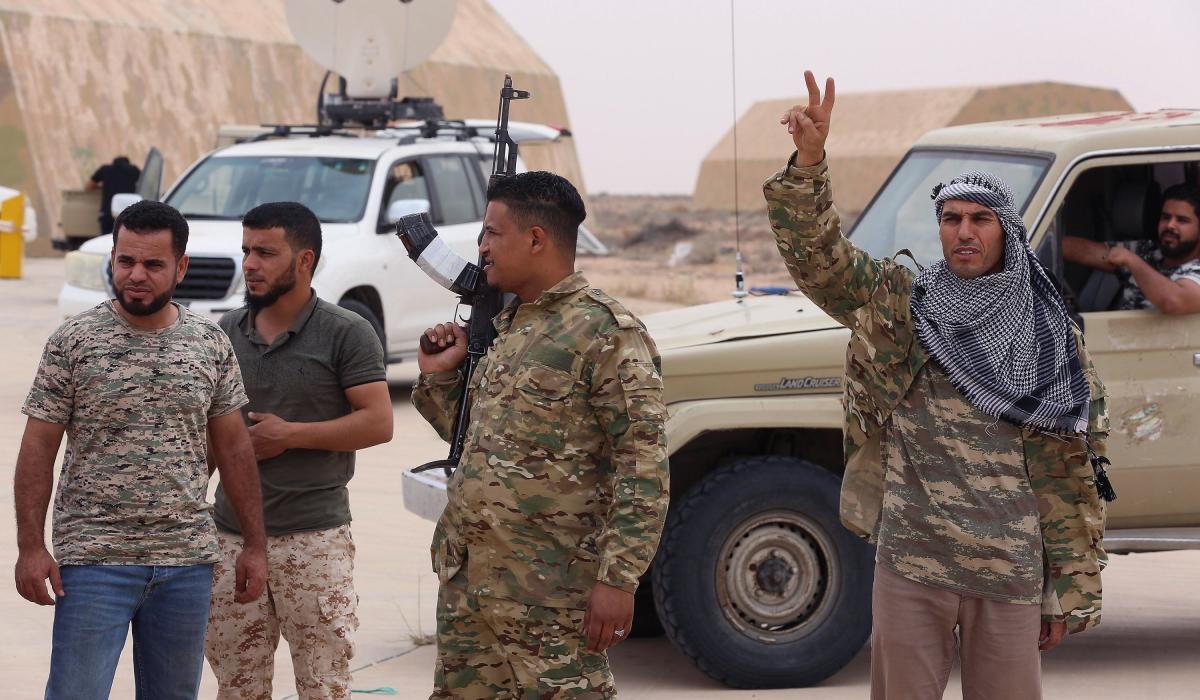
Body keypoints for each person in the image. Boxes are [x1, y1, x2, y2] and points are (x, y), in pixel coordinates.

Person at [767, 72, 1108, 699]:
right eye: (951, 218)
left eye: (980, 218)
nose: (964, 231)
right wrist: (810, 161)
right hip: (911, 565)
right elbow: (821, 261)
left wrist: (1067, 582)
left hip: (1007, 569)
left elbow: (1067, 468)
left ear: (1006, 229)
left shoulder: (1049, 333)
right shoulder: (904, 303)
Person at [412, 171, 669, 698]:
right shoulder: (509, 328)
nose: (481, 249)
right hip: (473, 585)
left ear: (536, 239)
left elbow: (643, 468)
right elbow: (479, 445)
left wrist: (618, 580)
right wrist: (442, 374)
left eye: (491, 234)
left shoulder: (605, 332)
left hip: (550, 592)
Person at [13, 200, 268, 699]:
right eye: (125, 261)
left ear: (181, 267)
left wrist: (255, 545)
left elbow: (235, 449)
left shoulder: (209, 344)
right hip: (93, 561)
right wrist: (30, 546)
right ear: (112, 258)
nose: (136, 275)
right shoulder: (74, 341)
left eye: (153, 264)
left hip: (186, 562)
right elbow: (37, 450)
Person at [204, 201, 393, 699]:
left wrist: (289, 435)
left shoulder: (345, 332)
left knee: (323, 687)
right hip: (231, 539)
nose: (249, 264)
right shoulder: (224, 333)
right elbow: (207, 437)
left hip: (314, 540)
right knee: (237, 687)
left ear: (304, 260)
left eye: (265, 252)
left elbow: (378, 421)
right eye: (246, 250)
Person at [1062, 183, 1200, 314]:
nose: (1170, 225)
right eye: (1165, 217)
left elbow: (1173, 302)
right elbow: (1088, 252)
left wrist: (1132, 261)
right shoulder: (1148, 250)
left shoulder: (1196, 268)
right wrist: (1051, 244)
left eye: (1182, 220)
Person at [86, 155, 141, 236]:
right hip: (128, 214)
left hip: (107, 214)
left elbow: (88, 187)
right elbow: (146, 185)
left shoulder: (105, 169)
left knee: (104, 242)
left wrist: (102, 186)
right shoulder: (134, 170)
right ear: (128, 164)